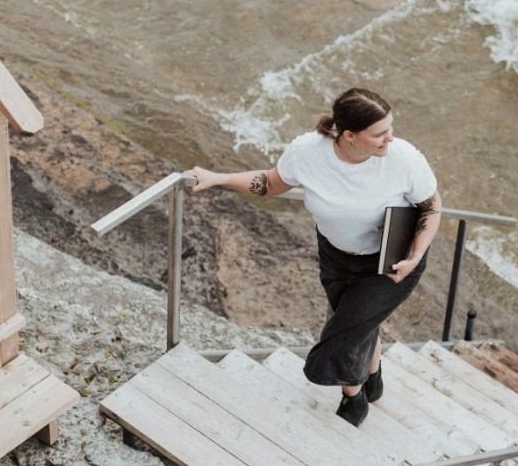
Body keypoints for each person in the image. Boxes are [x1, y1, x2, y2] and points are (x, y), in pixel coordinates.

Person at [185, 87, 442, 427]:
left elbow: (431, 206)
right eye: (380, 134)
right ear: (349, 135)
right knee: (359, 322)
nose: (389, 139)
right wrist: (218, 178)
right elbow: (271, 183)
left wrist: (416, 254)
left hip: (391, 263)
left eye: (390, 128)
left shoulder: (403, 159)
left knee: (344, 333)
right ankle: (374, 378)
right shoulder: (307, 153)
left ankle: (354, 398)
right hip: (336, 257)